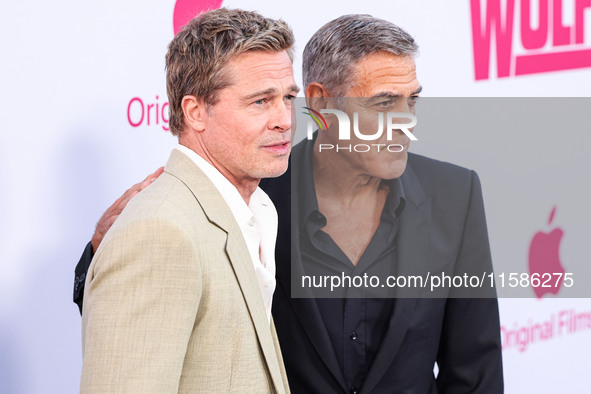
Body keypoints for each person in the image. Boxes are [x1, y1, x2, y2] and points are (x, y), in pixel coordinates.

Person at [75, 14, 503, 393]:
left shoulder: (454, 194)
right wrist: (99, 253)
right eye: (384, 104)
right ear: (320, 103)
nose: (405, 123)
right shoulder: (255, 197)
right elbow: (151, 307)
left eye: (412, 101)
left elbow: (475, 369)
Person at [78, 8, 298, 393]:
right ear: (195, 112)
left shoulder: (258, 211)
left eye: (287, 98)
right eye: (261, 101)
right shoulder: (160, 232)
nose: (284, 119)